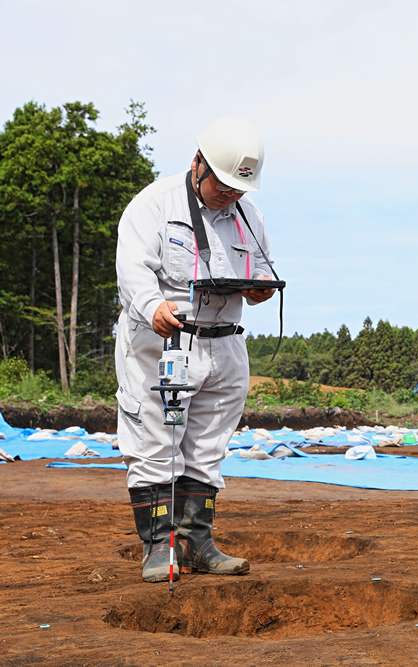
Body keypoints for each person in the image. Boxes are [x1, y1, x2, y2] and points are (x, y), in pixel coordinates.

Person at [115, 116, 276, 582]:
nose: (230, 195)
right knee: (155, 444)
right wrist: (152, 306)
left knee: (207, 447)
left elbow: (262, 267)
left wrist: (260, 289)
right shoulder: (154, 205)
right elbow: (132, 269)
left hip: (225, 343)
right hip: (165, 341)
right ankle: (158, 548)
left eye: (238, 188)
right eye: (223, 185)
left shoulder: (249, 216)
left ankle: (196, 544)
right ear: (197, 163)